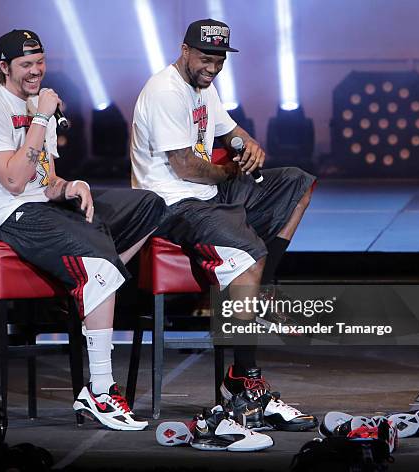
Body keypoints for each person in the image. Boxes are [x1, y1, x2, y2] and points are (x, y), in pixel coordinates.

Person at [0, 29, 166, 431]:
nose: (35, 72)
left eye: (40, 63)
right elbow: (16, 183)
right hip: (6, 216)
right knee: (101, 268)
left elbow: (44, 180)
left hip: (43, 209)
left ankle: (88, 283)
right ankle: (100, 391)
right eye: (25, 65)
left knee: (152, 205)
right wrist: (40, 117)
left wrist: (70, 187)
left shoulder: (42, 107)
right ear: (4, 67)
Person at [130, 19, 318, 431]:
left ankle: (261, 293)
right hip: (172, 205)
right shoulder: (165, 91)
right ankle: (245, 380)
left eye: (217, 61)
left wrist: (245, 147)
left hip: (209, 194)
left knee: (297, 184)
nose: (212, 68)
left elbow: (230, 132)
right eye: (204, 59)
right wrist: (232, 171)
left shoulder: (204, 87)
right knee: (250, 250)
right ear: (184, 50)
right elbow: (185, 167)